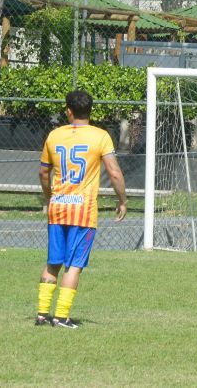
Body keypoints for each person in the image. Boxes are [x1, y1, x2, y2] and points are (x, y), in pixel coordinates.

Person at [35, 90, 128, 328]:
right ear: (90, 110)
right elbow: (114, 172)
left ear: (69, 111)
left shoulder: (54, 135)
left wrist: (49, 197)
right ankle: (61, 317)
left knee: (53, 263)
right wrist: (122, 201)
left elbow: (43, 172)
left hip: (57, 208)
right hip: (83, 212)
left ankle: (42, 314)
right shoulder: (100, 136)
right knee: (74, 265)